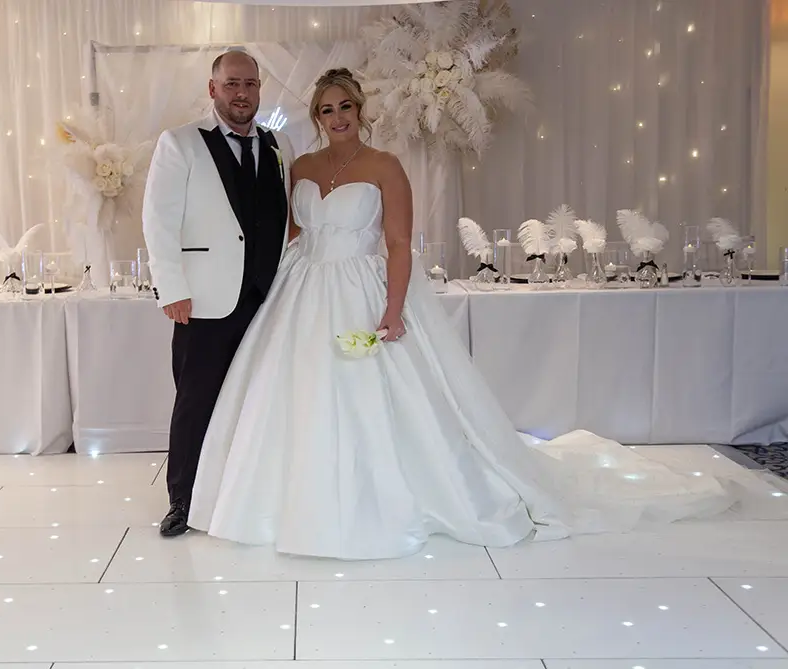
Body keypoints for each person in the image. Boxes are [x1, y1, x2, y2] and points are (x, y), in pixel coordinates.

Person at [186, 68, 788, 560]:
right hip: (303, 292)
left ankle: (390, 495)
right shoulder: (302, 168)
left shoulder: (385, 166)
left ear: (359, 110)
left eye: (345, 107)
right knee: (296, 395)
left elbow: (397, 244)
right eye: (326, 110)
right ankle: (288, 500)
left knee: (377, 398)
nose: (337, 118)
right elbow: (294, 233)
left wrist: (393, 311)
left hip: (361, 289)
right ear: (315, 117)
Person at [142, 51, 295, 537]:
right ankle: (182, 502)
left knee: (257, 400)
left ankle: (242, 496)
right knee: (196, 401)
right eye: (231, 83)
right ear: (213, 89)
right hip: (204, 299)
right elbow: (158, 220)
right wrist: (172, 287)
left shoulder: (279, 145)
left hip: (268, 299)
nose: (242, 93)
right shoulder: (180, 143)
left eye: (250, 83)